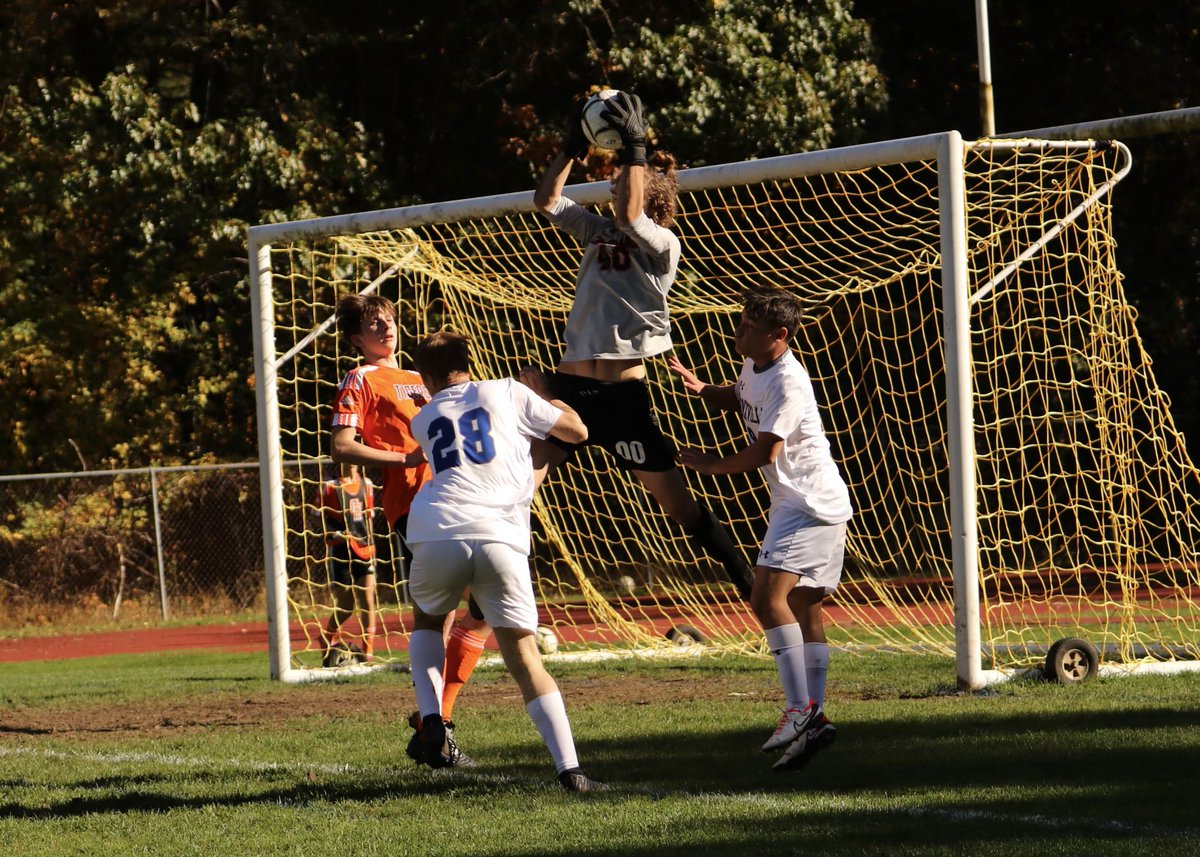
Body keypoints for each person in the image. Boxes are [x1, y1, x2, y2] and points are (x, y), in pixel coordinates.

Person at [428, 91, 755, 729]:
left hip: (624, 404)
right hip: (572, 396)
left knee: (680, 508)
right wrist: (569, 147)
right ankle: (472, 621)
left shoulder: (660, 241)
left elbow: (632, 212)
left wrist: (633, 149)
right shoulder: (601, 226)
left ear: (652, 193)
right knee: (514, 480)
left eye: (622, 177)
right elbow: (546, 200)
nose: (609, 189)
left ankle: (759, 602)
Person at [405, 329, 601, 793]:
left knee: (429, 624)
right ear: (467, 363)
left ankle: (433, 719)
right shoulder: (508, 390)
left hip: (439, 529)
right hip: (499, 535)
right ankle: (569, 769)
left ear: (428, 377)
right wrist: (545, 394)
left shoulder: (425, 415)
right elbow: (577, 431)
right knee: (524, 656)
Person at [667, 287, 853, 772]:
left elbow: (764, 452)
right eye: (742, 321)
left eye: (749, 326)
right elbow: (742, 395)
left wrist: (710, 465)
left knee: (766, 597)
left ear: (780, 335)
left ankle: (799, 711)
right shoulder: (756, 364)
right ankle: (815, 718)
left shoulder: (791, 382)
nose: (739, 330)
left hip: (806, 505)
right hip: (814, 502)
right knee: (802, 605)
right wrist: (703, 389)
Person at [328, 294, 474, 765]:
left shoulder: (420, 377)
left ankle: (433, 722)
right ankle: (437, 724)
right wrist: (403, 458)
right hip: (413, 503)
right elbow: (342, 446)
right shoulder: (360, 379)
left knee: (470, 610)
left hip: (458, 494)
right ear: (357, 339)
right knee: (444, 613)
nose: (385, 328)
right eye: (373, 324)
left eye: (388, 320)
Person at [314, 462, 381, 663]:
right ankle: (325, 637)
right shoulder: (328, 486)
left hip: (363, 549)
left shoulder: (367, 485)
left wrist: (372, 546)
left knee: (367, 599)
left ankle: (367, 650)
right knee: (346, 605)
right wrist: (334, 534)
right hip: (340, 550)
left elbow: (368, 517)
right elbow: (316, 517)